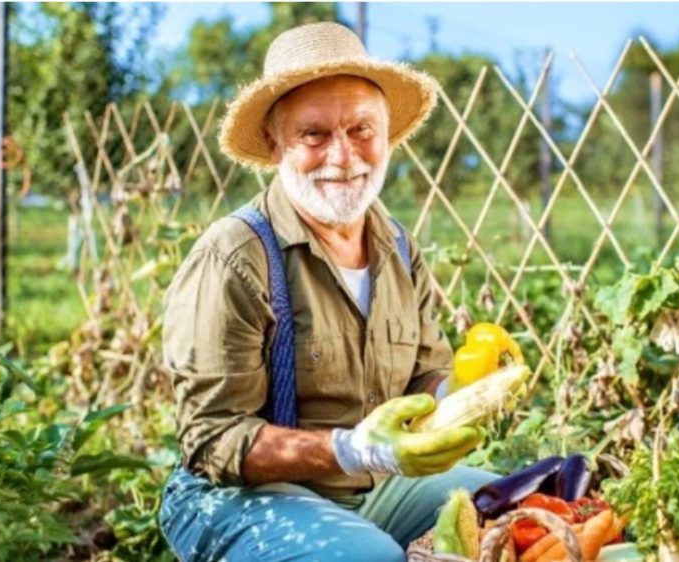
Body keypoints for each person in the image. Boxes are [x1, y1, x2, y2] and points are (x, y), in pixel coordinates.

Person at [159, 22, 499, 562]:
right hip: (235, 497)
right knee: (369, 558)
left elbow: (423, 378)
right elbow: (212, 440)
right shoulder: (236, 257)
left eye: (362, 129)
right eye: (314, 135)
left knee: (521, 506)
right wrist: (353, 448)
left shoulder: (398, 250)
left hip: (369, 487)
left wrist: (470, 390)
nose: (343, 156)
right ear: (274, 145)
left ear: (388, 136)